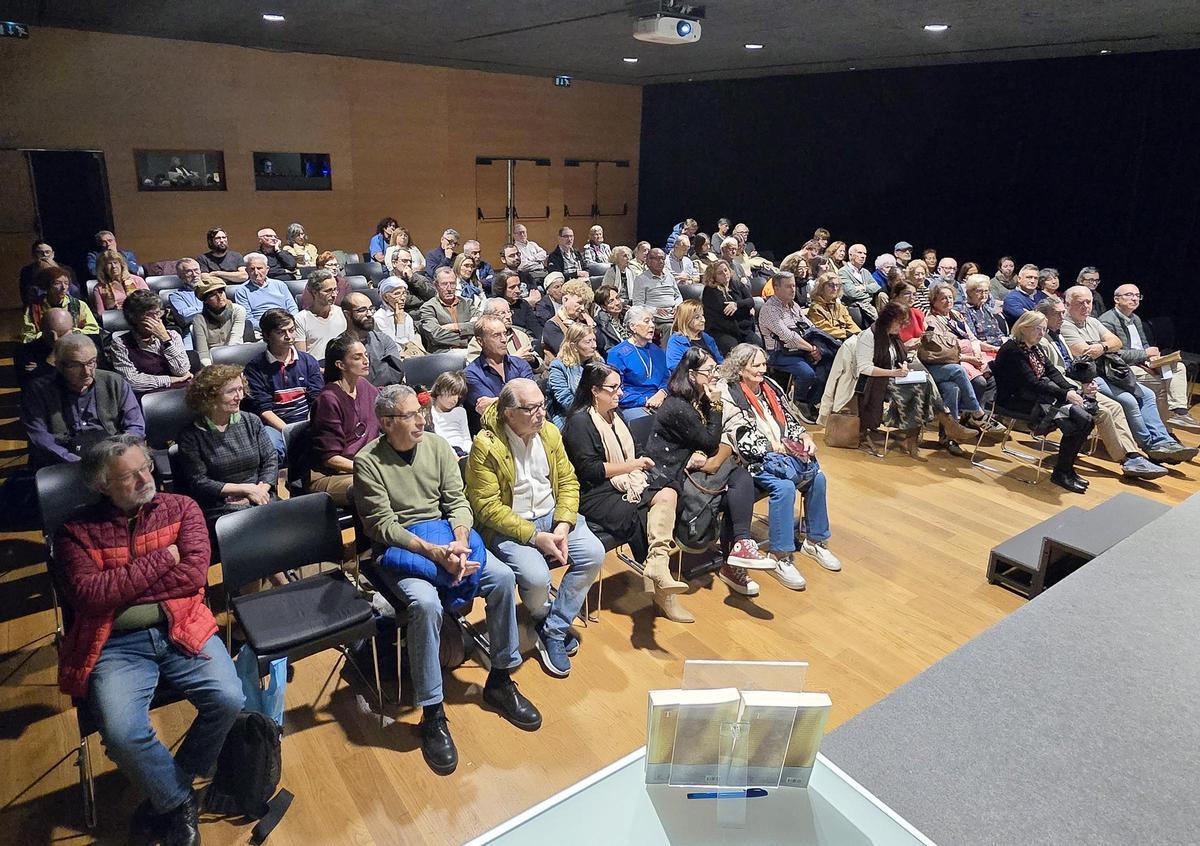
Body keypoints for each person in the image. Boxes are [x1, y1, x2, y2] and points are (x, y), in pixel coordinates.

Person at [54, 435, 242, 846]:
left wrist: (123, 584)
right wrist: (164, 558)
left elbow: (193, 576)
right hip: (114, 643)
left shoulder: (181, 508)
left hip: (182, 624)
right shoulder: (75, 532)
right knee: (122, 732)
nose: (144, 478)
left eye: (146, 468)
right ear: (102, 484)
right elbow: (90, 595)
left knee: (230, 698)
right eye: (129, 475)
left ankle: (169, 788)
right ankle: (177, 801)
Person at [353, 384, 541, 775]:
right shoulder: (368, 462)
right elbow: (383, 526)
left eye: (420, 412)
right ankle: (433, 712)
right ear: (387, 423)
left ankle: (501, 679)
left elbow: (457, 501)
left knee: (503, 578)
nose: (422, 420)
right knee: (425, 604)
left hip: (446, 538)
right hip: (403, 550)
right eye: (410, 415)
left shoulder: (437, 447)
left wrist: (457, 542)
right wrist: (434, 553)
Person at [466, 379, 606, 678]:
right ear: (508, 413)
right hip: (511, 524)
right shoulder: (485, 445)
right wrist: (534, 536)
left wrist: (564, 524)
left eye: (542, 405)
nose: (541, 413)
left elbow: (568, 481)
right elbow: (487, 507)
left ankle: (552, 629)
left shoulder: (550, 433)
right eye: (531, 408)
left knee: (594, 553)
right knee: (536, 576)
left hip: (553, 516)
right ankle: (544, 616)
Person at [561, 363, 692, 622]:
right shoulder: (579, 422)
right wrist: (633, 466)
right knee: (644, 513)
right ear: (594, 391)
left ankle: (656, 566)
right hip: (594, 494)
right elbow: (590, 471)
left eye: (619, 387)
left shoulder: (614, 413)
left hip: (624, 482)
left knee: (670, 491)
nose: (620, 393)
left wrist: (635, 467)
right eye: (613, 388)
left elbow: (629, 450)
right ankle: (663, 593)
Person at [643, 347, 775, 597]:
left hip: (698, 468)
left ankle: (738, 552)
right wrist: (715, 407)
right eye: (709, 370)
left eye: (715, 369)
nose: (715, 375)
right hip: (672, 475)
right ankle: (737, 551)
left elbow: (728, 429)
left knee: (738, 480)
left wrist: (719, 446)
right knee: (737, 475)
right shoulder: (677, 405)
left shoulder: (700, 397)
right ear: (692, 375)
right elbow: (710, 441)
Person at [718, 344, 843, 586]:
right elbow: (739, 436)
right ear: (740, 368)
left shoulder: (770, 387)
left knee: (818, 478)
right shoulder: (729, 393)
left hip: (784, 456)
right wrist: (781, 448)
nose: (762, 369)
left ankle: (814, 542)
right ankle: (779, 556)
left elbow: (789, 419)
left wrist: (804, 437)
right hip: (752, 462)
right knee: (784, 488)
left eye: (764, 364)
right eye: (756, 365)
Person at [1058, 286, 1195, 464]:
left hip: (1111, 371)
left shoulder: (1093, 321)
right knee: (1129, 400)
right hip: (1089, 376)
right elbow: (1083, 352)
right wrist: (1104, 345)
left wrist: (1101, 346)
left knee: (1147, 394)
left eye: (1089, 302)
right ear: (1067, 304)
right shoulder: (1066, 325)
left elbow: (1116, 342)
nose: (1086, 306)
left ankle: (1164, 439)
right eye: (1080, 303)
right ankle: (1150, 445)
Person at [1036, 299, 1167, 479]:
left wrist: (1087, 381)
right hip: (1062, 392)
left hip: (1078, 384)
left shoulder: (1057, 334)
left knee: (1116, 406)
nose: (1062, 317)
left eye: (1062, 312)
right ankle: (1128, 458)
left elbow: (1076, 363)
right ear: (1044, 317)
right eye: (1057, 314)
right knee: (1105, 411)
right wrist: (1080, 386)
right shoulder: (1042, 341)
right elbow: (1054, 374)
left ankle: (1134, 455)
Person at [992, 312, 1098, 493]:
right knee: (1078, 422)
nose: (1042, 333)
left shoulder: (1034, 347)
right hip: (1016, 400)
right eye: (1038, 329)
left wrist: (1071, 390)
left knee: (1087, 420)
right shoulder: (1012, 350)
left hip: (1038, 396)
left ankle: (1066, 469)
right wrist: (1066, 395)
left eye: (1044, 329)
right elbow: (1031, 383)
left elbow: (1052, 372)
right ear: (1024, 328)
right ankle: (1061, 472)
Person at [22, 333, 144, 468]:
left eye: (91, 362)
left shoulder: (114, 382)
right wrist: (73, 461)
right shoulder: (38, 390)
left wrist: (120, 453)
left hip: (111, 454)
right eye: (76, 365)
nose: (87, 372)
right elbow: (39, 436)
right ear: (59, 366)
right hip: (64, 461)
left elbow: (135, 426)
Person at [175, 364, 278, 523]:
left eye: (240, 389)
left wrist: (260, 490)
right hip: (220, 505)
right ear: (209, 397)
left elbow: (270, 459)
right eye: (231, 391)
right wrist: (245, 490)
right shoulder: (191, 436)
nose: (239, 396)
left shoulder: (251, 421)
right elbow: (200, 481)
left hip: (261, 495)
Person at [1100, 283, 1199, 431]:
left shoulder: (1136, 318)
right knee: (1163, 385)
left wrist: (1153, 357)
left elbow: (1143, 344)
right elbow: (1113, 354)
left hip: (1143, 362)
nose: (1134, 299)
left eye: (1137, 296)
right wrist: (1145, 354)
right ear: (1116, 299)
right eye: (1129, 295)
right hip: (1122, 367)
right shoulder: (1107, 321)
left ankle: (1179, 412)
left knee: (1178, 367)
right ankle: (1163, 431)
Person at [855, 302, 939, 458]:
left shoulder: (893, 336)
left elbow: (901, 357)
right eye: (899, 322)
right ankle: (919, 433)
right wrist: (893, 372)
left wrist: (904, 366)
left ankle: (912, 437)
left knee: (924, 382)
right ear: (889, 319)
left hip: (894, 377)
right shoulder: (869, 335)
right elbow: (864, 368)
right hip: (875, 382)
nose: (901, 327)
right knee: (920, 389)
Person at [922, 284, 994, 454]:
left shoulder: (956, 316)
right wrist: (967, 356)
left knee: (953, 389)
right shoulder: (931, 321)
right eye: (943, 298)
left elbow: (972, 338)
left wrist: (985, 349)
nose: (948, 301)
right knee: (967, 375)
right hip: (937, 365)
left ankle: (948, 436)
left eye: (950, 297)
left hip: (955, 364)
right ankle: (975, 414)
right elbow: (937, 351)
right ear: (934, 301)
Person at [309, 336, 381, 506]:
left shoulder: (364, 386)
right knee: (377, 486)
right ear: (340, 365)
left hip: (364, 467)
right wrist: (371, 469)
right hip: (329, 475)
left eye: (365, 355)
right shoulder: (329, 399)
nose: (365, 361)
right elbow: (331, 458)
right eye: (357, 357)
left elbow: (385, 401)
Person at [244, 308, 323, 456]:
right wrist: (291, 431)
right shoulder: (255, 368)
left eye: (292, 330)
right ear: (267, 336)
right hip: (274, 425)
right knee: (273, 448)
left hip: (307, 419)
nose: (289, 337)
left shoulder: (308, 361)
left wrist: (310, 425)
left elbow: (316, 400)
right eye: (281, 332)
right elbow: (264, 410)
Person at [758, 270, 831, 419]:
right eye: (788, 286)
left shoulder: (794, 305)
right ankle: (799, 402)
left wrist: (818, 348)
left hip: (800, 350)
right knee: (807, 373)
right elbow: (788, 337)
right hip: (778, 353)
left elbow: (810, 327)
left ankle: (812, 401)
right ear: (776, 288)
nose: (793, 289)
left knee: (828, 365)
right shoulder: (770, 309)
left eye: (794, 285)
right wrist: (811, 348)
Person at [107, 290, 192, 396]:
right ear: (134, 318)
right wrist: (170, 380)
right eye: (150, 314)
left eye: (158, 313)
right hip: (149, 397)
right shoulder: (120, 344)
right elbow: (132, 381)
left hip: (181, 391)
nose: (157, 319)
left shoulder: (172, 335)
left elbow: (182, 371)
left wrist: (165, 339)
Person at [464, 315, 535, 417]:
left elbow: (533, 397)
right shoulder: (471, 374)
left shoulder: (521, 364)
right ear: (480, 341)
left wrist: (495, 401)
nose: (504, 340)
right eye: (496, 335)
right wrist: (521, 398)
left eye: (505, 334)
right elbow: (489, 410)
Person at [607, 306, 668, 420]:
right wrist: (645, 400)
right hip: (633, 405)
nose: (652, 325)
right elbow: (616, 389)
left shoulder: (657, 351)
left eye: (652, 321)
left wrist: (662, 393)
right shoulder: (617, 354)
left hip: (660, 400)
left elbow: (667, 379)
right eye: (646, 321)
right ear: (633, 327)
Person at [340, 292, 407, 387]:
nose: (369, 314)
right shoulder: (339, 345)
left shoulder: (384, 340)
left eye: (371, 309)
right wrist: (381, 367)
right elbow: (345, 381)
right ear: (347, 314)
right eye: (362, 310)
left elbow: (395, 373)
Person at [23, 266, 99, 341]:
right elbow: (28, 336)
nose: (63, 287)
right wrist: (47, 335)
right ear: (47, 286)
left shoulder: (79, 305)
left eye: (66, 283)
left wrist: (73, 333)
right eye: (57, 283)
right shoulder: (34, 308)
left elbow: (94, 329)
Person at [546, 323, 601, 428]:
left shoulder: (598, 361)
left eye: (594, 340)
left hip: (598, 411)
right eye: (588, 342)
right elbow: (565, 399)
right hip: (569, 415)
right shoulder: (559, 366)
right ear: (574, 346)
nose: (594, 345)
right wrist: (590, 412)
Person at [466, 297, 540, 372]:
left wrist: (533, 360)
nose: (508, 316)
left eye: (509, 311)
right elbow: (477, 371)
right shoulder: (480, 341)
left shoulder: (521, 335)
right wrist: (514, 359)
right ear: (490, 317)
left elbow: (541, 366)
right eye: (502, 313)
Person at [701, 258, 758, 354]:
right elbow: (727, 312)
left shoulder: (736, 283)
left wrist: (737, 304)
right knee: (735, 351)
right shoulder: (710, 290)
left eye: (725, 270)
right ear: (713, 277)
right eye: (720, 273)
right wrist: (747, 310)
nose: (725, 274)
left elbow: (751, 301)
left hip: (742, 328)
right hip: (722, 330)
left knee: (757, 345)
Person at [417, 266, 481, 352]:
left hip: (471, 350)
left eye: (452, 283)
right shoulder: (428, 307)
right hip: (445, 354)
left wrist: (455, 326)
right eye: (444, 284)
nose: (449, 288)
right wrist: (468, 339)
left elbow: (480, 327)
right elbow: (436, 336)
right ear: (436, 286)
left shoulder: (467, 303)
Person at [233, 252, 298, 334]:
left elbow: (292, 308)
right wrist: (270, 328)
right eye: (252, 269)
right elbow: (248, 319)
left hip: (287, 325)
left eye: (259, 268)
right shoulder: (242, 291)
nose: (256, 272)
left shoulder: (280, 285)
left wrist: (289, 324)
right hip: (262, 330)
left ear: (267, 269)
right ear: (247, 271)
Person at [191, 276, 247, 366]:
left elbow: (235, 340)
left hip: (236, 356)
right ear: (205, 300)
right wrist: (211, 369)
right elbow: (202, 352)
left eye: (221, 292)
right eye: (213, 295)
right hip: (213, 362)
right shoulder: (199, 319)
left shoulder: (238, 310)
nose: (219, 297)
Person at [293, 269, 348, 360]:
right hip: (315, 368)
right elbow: (302, 358)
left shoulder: (342, 313)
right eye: (328, 291)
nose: (334, 295)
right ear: (314, 292)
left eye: (335, 289)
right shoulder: (300, 319)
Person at [16, 307, 76, 389]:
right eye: (57, 334)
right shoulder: (25, 352)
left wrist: (40, 368)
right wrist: (55, 352)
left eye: (64, 334)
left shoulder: (80, 348)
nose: (59, 339)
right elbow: (31, 385)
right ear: (42, 329)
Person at [631, 247, 682, 342]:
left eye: (663, 258)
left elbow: (678, 296)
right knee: (670, 326)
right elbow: (637, 304)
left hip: (673, 313)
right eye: (657, 258)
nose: (661, 261)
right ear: (648, 261)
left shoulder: (669, 276)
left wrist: (677, 306)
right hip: (656, 317)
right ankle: (666, 355)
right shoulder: (641, 279)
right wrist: (655, 310)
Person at [540, 278, 598, 358]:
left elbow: (601, 346)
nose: (582, 308)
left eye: (585, 304)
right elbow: (567, 353)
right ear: (565, 300)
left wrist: (591, 325)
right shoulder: (552, 325)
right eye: (579, 303)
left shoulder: (583, 322)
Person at [665, 300, 724, 373]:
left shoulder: (708, 338)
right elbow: (675, 367)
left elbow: (720, 361)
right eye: (697, 317)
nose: (703, 320)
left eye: (702, 315)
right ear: (686, 319)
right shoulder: (676, 340)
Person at [375, 277, 426, 357]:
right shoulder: (379, 318)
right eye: (397, 293)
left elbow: (411, 343)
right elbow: (395, 348)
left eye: (404, 293)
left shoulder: (407, 316)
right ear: (385, 297)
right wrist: (400, 324)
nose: (402, 298)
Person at [91, 249, 149, 315]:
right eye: (109, 264)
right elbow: (101, 313)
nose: (113, 266)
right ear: (103, 268)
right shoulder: (99, 288)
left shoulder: (137, 280)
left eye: (115, 262)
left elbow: (149, 302)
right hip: (115, 320)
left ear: (121, 264)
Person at [379, 246, 436, 312]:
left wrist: (413, 279)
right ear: (394, 263)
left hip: (426, 313)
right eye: (405, 261)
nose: (409, 264)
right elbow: (404, 301)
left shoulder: (418, 277)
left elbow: (432, 294)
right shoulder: (387, 283)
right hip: (406, 315)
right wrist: (425, 300)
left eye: (410, 261)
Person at [807, 271, 861, 340]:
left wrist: (859, 334)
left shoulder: (840, 307)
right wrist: (847, 334)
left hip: (846, 339)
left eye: (837, 285)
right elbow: (826, 330)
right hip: (829, 342)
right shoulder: (815, 308)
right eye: (831, 285)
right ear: (821, 287)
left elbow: (851, 323)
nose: (835, 289)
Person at [429, 372, 471, 456]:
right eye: (452, 394)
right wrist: (453, 455)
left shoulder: (460, 411)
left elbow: (466, 438)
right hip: (445, 452)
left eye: (458, 396)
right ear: (439, 390)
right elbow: (439, 437)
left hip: (463, 452)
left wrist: (470, 453)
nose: (455, 399)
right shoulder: (431, 411)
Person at [961, 273, 1009, 347]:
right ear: (969, 292)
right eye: (979, 291)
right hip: (984, 349)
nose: (984, 295)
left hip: (998, 346)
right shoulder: (965, 311)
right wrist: (996, 345)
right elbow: (974, 339)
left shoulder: (986, 308)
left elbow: (998, 333)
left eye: (986, 291)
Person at [494, 269, 543, 340]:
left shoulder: (523, 304)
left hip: (527, 339)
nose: (518, 291)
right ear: (502, 288)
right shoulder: (494, 305)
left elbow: (535, 327)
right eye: (512, 287)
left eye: (518, 286)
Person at [20, 240, 71, 306]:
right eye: (40, 253)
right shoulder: (27, 271)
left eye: (47, 252)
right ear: (34, 255)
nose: (44, 255)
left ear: (53, 254)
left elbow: (74, 292)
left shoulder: (66, 269)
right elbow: (25, 296)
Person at [838, 243, 879, 325]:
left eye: (865, 253)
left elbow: (876, 287)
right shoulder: (843, 272)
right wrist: (869, 294)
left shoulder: (865, 272)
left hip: (868, 306)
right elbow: (851, 293)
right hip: (854, 307)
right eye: (859, 253)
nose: (863, 256)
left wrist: (863, 288)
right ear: (850, 255)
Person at [167, 258, 206, 332]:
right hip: (192, 331)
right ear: (180, 276)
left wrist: (195, 309)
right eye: (189, 272)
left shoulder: (213, 289)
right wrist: (211, 308)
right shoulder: (176, 296)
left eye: (196, 270)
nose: (194, 275)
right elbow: (185, 317)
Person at [595, 285, 628, 350]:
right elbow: (607, 348)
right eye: (611, 301)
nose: (617, 302)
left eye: (617, 297)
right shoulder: (600, 324)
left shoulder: (626, 315)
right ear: (603, 307)